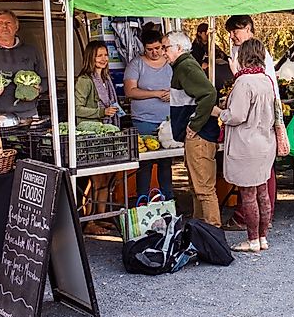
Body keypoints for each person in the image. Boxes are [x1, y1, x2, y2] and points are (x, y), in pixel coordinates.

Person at [211, 39, 277, 252]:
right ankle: (263, 237)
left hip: (247, 144)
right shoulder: (266, 80)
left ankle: (252, 240)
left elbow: (237, 115)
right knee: (263, 193)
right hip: (266, 142)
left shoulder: (244, 82)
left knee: (248, 195)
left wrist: (219, 112)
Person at [223, 15, 280, 231]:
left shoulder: (250, 69)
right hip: (264, 129)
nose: (232, 36)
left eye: (235, 31)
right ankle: (263, 230)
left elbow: (238, 113)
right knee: (263, 184)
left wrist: (221, 113)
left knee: (251, 189)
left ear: (248, 29)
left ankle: (251, 231)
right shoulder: (257, 68)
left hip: (251, 132)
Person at [163, 31, 221, 227]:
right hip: (197, 136)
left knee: (203, 189)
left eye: (166, 48)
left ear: (179, 48)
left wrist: (194, 124)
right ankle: (200, 231)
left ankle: (213, 233)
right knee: (197, 187)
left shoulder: (186, 66)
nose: (164, 52)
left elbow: (208, 93)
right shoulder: (183, 66)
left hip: (200, 136)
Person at [75, 41, 121, 235]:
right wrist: (102, 112)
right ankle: (90, 220)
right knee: (95, 179)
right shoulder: (85, 80)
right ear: (90, 58)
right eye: (99, 55)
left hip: (108, 131)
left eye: (105, 55)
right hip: (92, 134)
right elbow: (77, 109)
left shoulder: (106, 78)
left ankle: (101, 217)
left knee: (106, 178)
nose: (103, 59)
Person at [124, 29, 173, 202]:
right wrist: (156, 93)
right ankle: (143, 199)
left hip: (167, 120)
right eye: (150, 49)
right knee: (144, 163)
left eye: (158, 48)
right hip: (143, 120)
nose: (155, 52)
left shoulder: (170, 62)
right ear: (144, 48)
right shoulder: (136, 64)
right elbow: (130, 91)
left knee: (166, 162)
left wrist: (172, 94)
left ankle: (167, 199)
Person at [0, 10, 47, 118]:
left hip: (28, 114)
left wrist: (39, 88)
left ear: (16, 26)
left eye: (8, 23)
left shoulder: (31, 51)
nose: (4, 27)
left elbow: (45, 79)